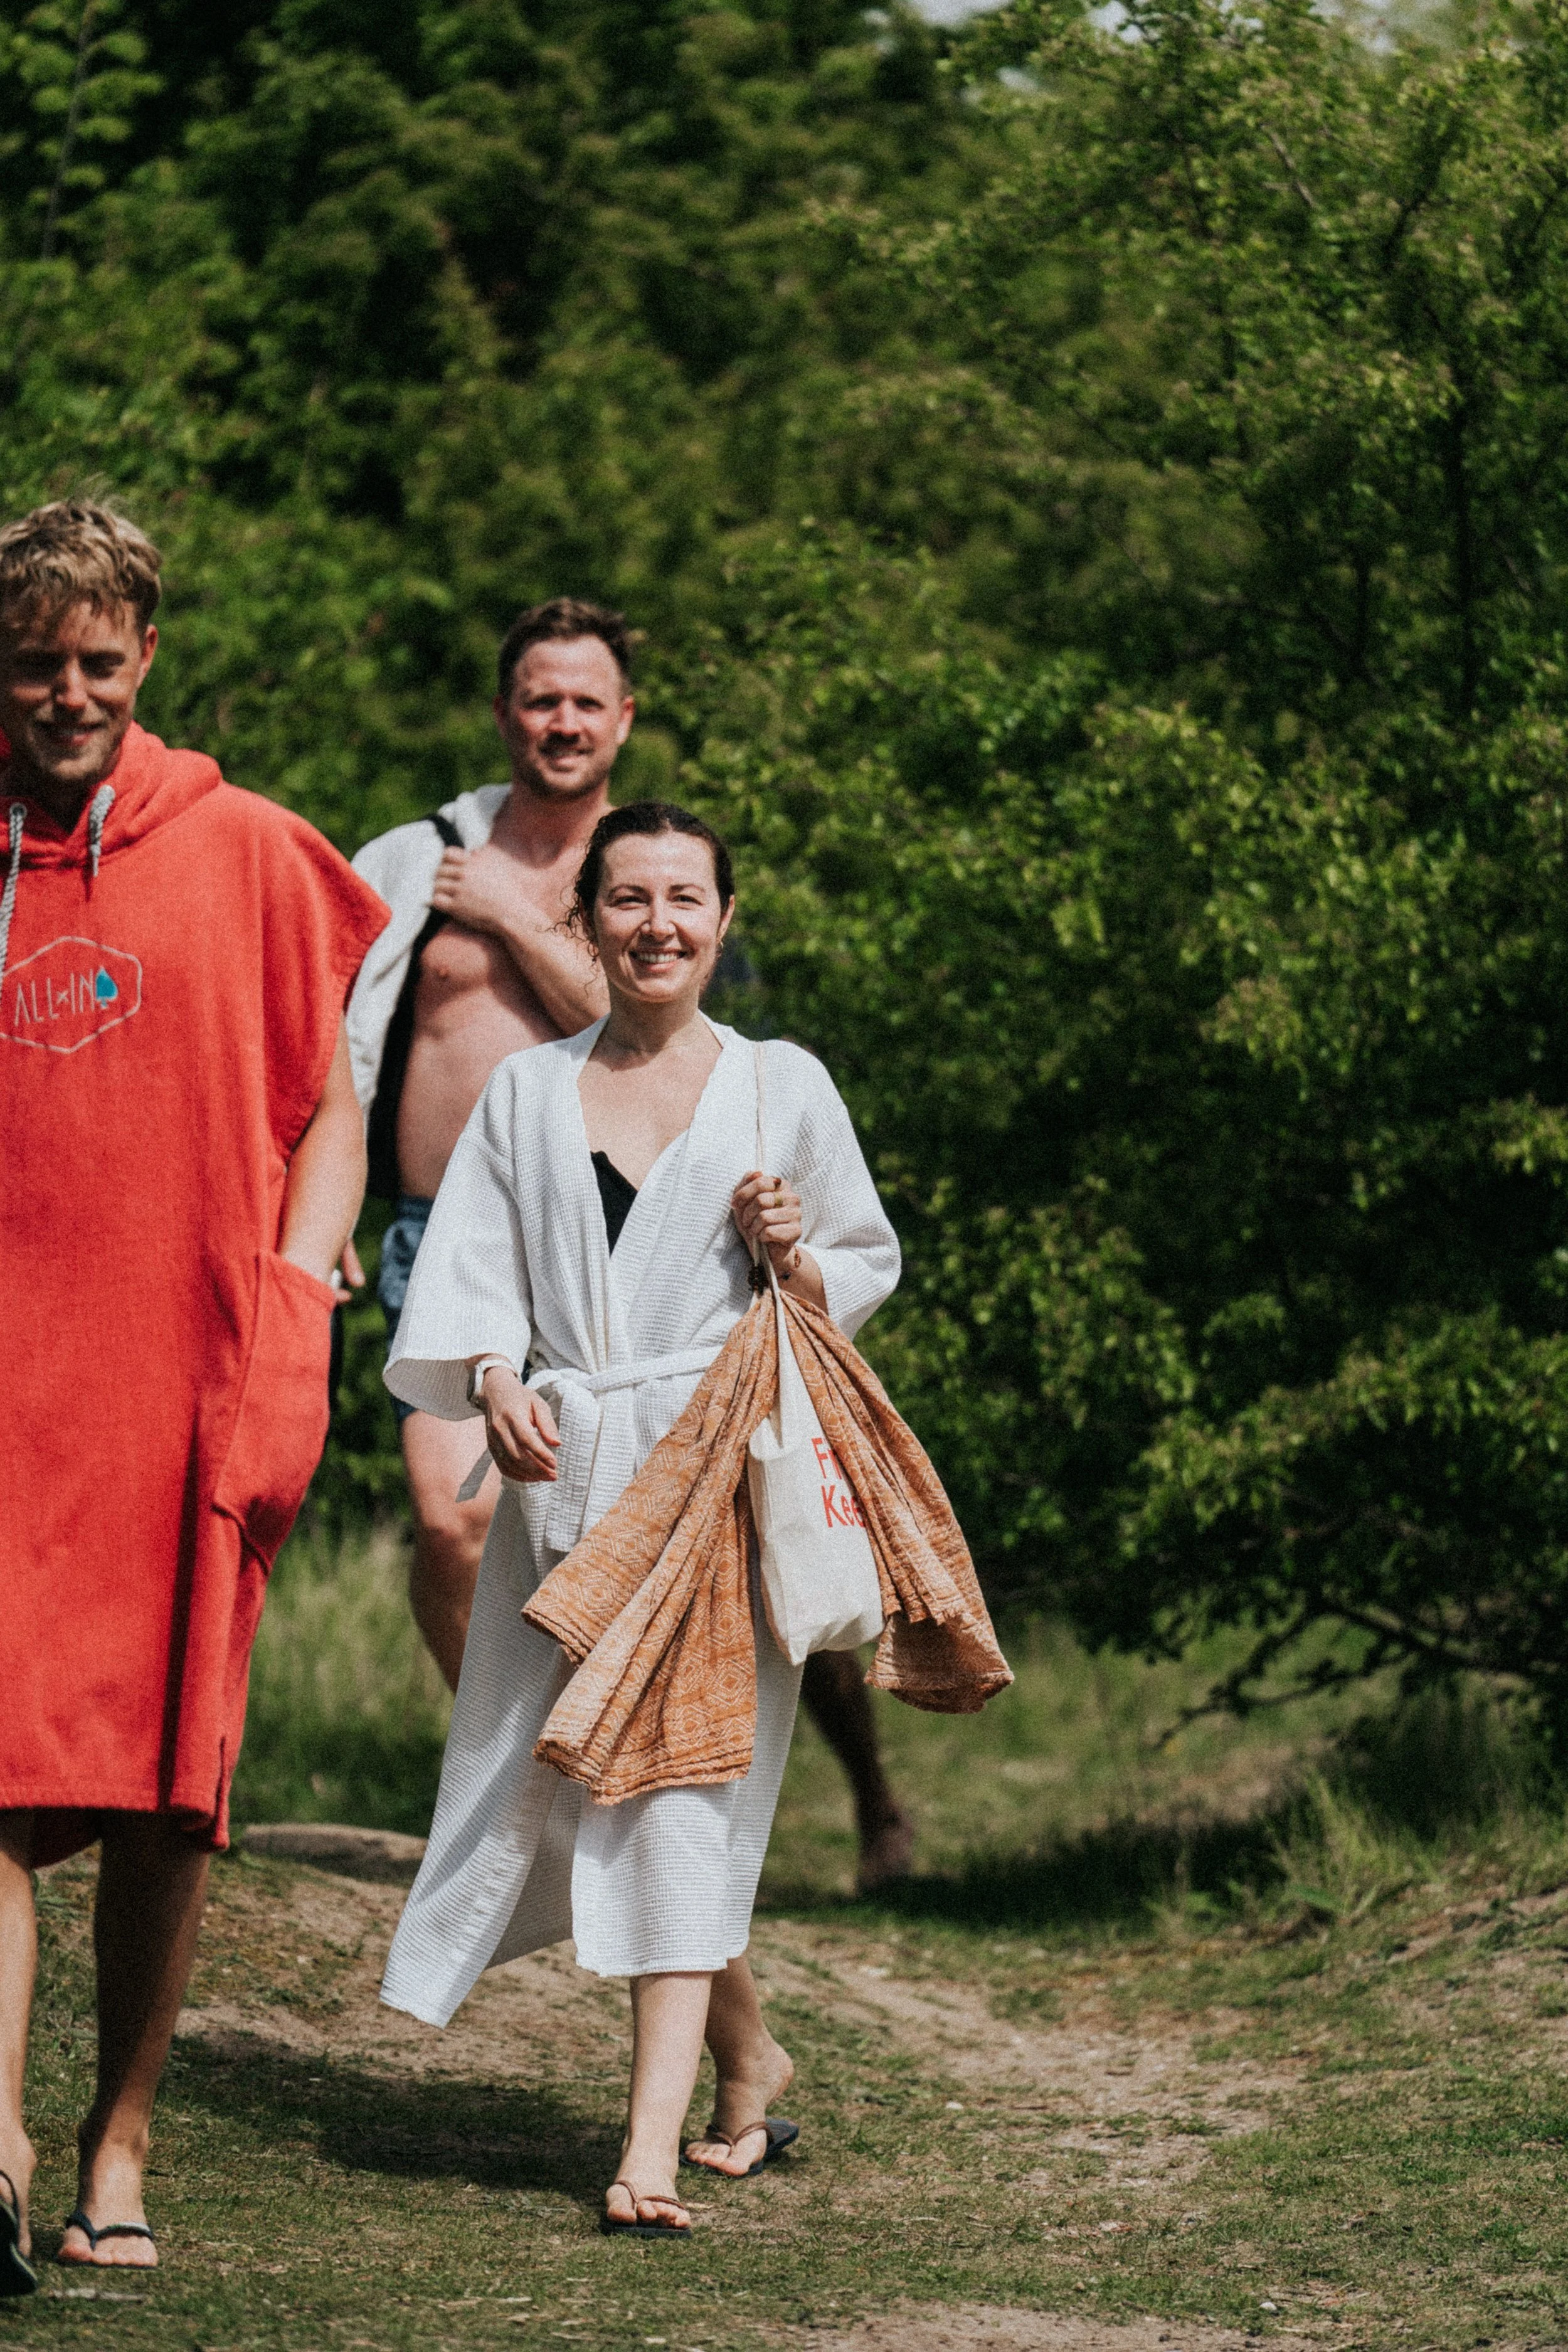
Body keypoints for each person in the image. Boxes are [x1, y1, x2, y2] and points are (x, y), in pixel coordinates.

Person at [376, 800, 901, 2236]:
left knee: (679, 1799)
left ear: (724, 922)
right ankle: (750, 2052)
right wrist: (491, 1379)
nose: (657, 924)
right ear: (585, 922)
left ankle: (646, 2151)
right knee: (580, 1790)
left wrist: (796, 1252)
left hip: (719, 1480)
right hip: (569, 1488)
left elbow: (857, 1269)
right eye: (627, 899)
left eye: (686, 898)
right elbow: (470, 1283)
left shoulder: (780, 1083)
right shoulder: (528, 1095)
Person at [345, 601, 914, 1889]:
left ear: (623, 721)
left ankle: (870, 1793)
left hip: (653, 1244)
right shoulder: (420, 857)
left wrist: (510, 915)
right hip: (456, 1239)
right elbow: (339, 1039)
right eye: (538, 699)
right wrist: (326, 1210)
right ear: (504, 713)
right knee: (456, 1530)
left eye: (585, 702)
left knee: (756, 1541)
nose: (560, 721)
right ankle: (531, 1789)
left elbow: (656, 1032)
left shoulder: (650, 875)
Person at [0, 500, 388, 2289]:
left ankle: (119, 2139)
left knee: (168, 1789)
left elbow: (334, 1092)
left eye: (97, 659)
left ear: (146, 655)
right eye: (33, 661)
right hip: (12, 1381)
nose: (66, 691)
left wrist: (301, 1293)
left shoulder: (244, 847)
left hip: (191, 1369)